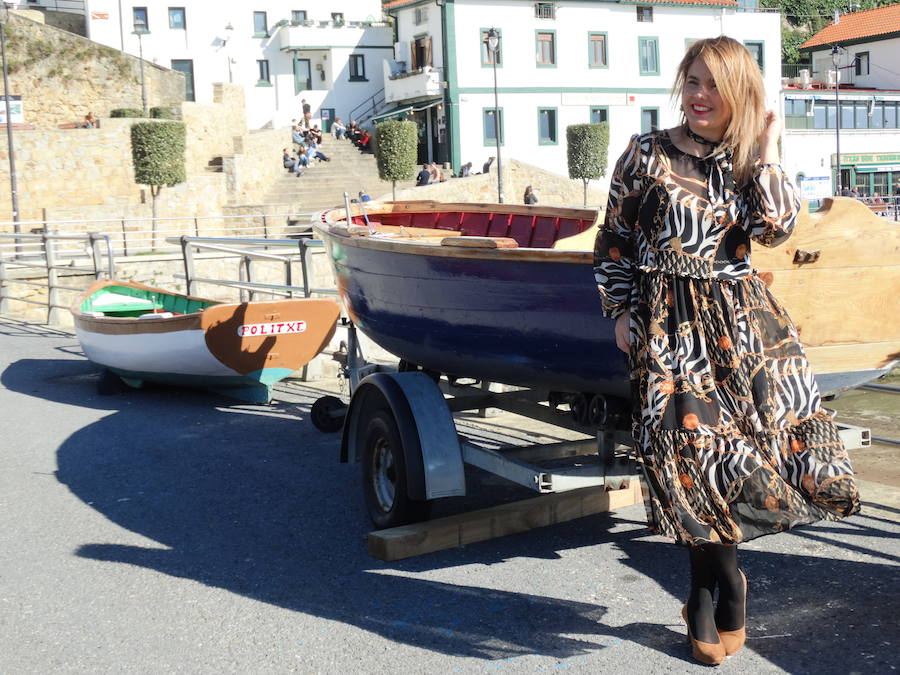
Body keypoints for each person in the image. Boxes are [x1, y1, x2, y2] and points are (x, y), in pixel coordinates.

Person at [593, 36, 859, 667]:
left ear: (739, 93)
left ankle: (718, 585)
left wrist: (767, 148)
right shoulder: (645, 153)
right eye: (692, 81)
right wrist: (622, 311)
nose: (700, 95)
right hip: (666, 329)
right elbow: (614, 239)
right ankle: (712, 590)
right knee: (690, 456)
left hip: (740, 331)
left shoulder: (745, 161)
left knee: (736, 456)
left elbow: (777, 229)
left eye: (715, 84)